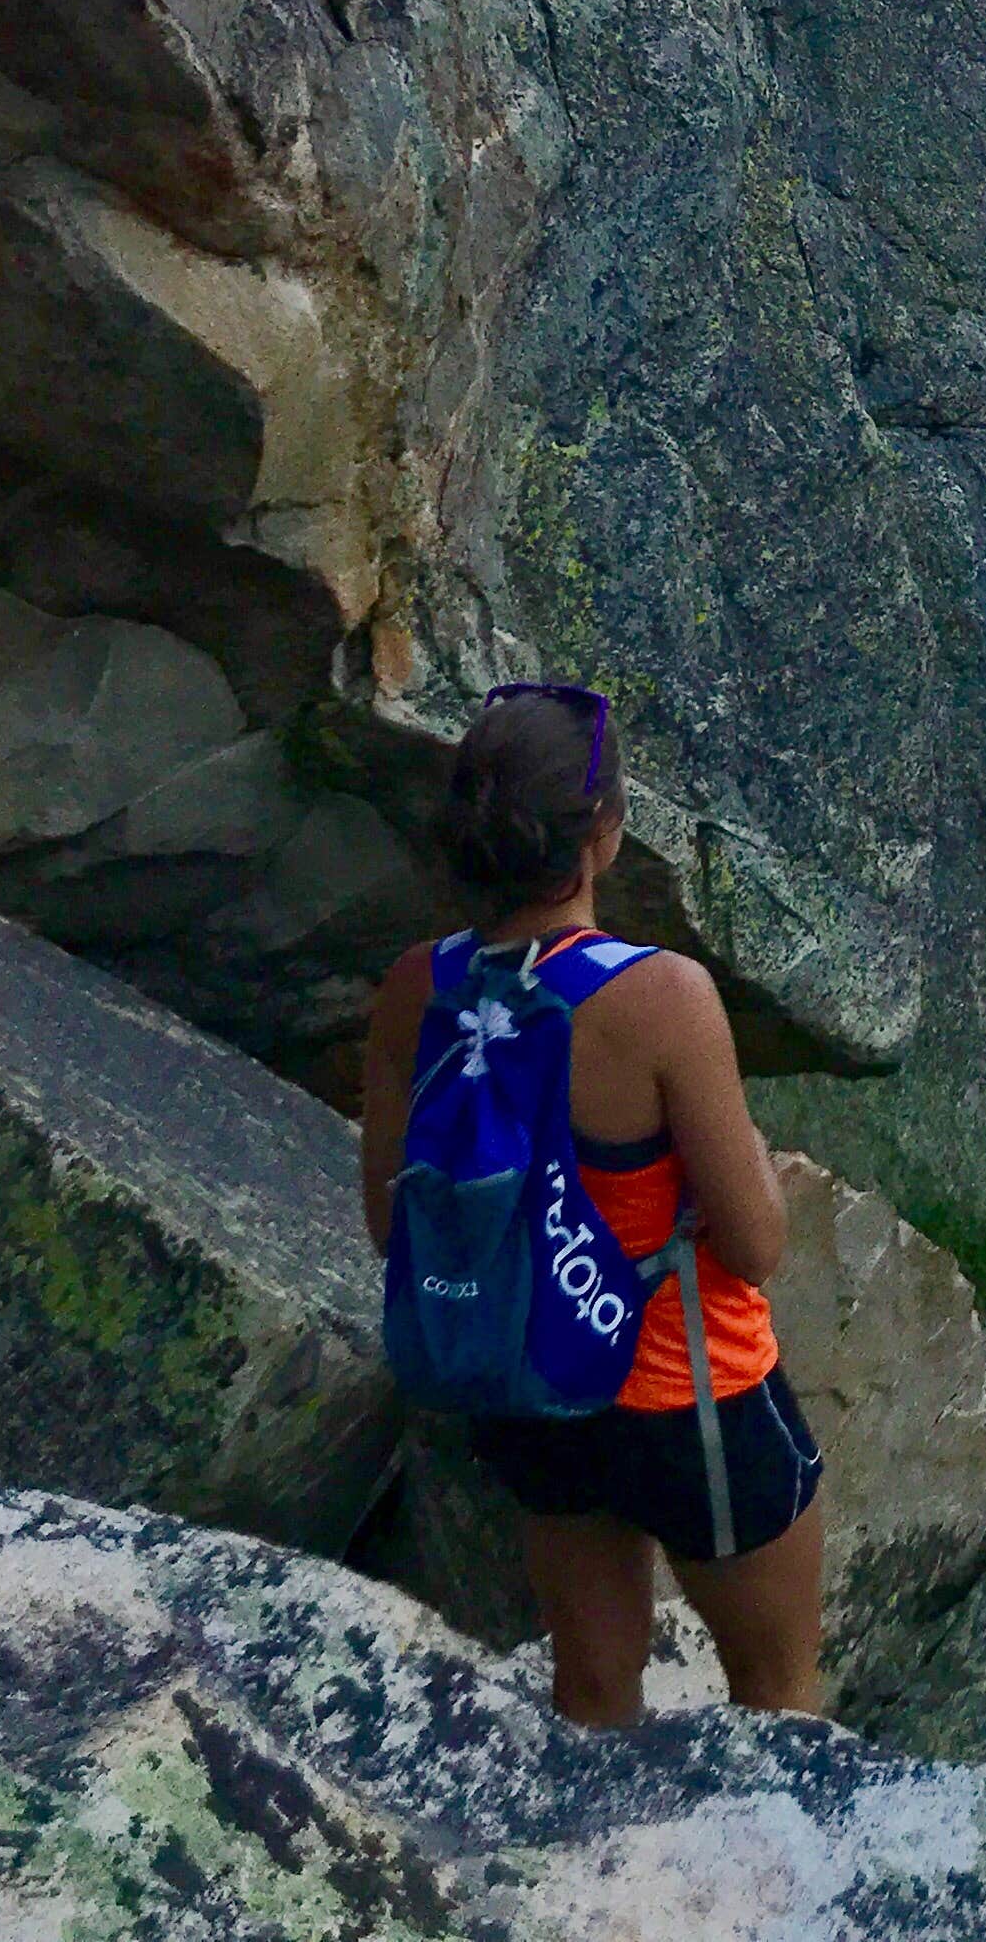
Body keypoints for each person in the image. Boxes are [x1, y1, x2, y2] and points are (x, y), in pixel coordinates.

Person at [359, 682, 826, 1723]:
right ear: (603, 835)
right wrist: (751, 1165)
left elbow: (395, 1225)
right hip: (690, 1395)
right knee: (779, 1694)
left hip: (531, 1390)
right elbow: (755, 1246)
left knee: (593, 1688)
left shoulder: (412, 990)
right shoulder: (664, 999)